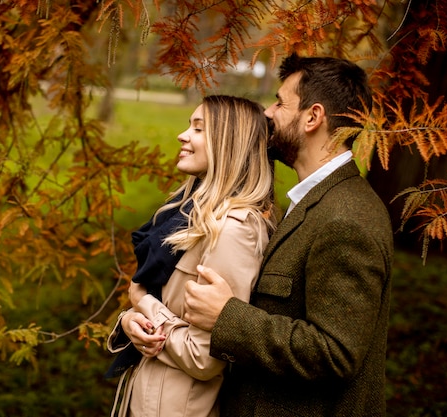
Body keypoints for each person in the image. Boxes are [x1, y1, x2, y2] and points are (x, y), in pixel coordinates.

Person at [183, 55, 394, 416]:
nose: (268, 113)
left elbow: (335, 353)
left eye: (281, 103)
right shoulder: (316, 200)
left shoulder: (345, 219)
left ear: (313, 117)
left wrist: (227, 317)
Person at [106, 95, 276, 417]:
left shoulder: (233, 231)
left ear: (228, 143)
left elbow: (205, 357)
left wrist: (143, 302)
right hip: (148, 393)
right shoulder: (188, 213)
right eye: (188, 125)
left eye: (198, 129)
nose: (182, 135)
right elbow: (168, 307)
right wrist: (130, 320)